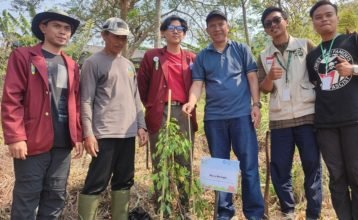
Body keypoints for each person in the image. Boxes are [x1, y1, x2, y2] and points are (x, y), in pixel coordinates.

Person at [306, 1, 358, 219]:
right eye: (318, 17)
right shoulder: (312, 55)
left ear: (337, 17)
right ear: (313, 23)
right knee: (337, 178)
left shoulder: (355, 40)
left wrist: (353, 69)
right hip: (325, 124)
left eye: (328, 14)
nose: (324, 19)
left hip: (355, 120)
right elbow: (316, 85)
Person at [182, 10, 264, 220]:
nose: (217, 28)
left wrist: (256, 105)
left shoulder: (241, 49)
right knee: (220, 168)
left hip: (241, 117)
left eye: (221, 24)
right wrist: (191, 102)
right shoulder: (202, 56)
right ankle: (224, 213)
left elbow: (252, 78)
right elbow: (198, 83)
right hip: (214, 119)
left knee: (249, 166)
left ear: (227, 26)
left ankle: (254, 213)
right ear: (207, 30)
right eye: (212, 25)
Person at [1, 9, 83, 219]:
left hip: (63, 142)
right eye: (57, 26)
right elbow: (12, 99)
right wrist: (16, 137)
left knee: (55, 196)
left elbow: (74, 102)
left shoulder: (71, 64)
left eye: (67, 28)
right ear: (43, 27)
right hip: (33, 141)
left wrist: (78, 134)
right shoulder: (24, 57)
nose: (63, 32)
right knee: (27, 196)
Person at [78, 17, 148, 220]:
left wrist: (141, 125)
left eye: (124, 39)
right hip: (104, 132)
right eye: (116, 37)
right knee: (96, 181)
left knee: (124, 180)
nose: (120, 42)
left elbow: (135, 97)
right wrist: (88, 133)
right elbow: (86, 100)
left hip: (128, 132)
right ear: (104, 36)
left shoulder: (127, 65)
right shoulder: (93, 63)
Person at [258, 6, 322, 220]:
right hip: (280, 120)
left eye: (276, 20)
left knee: (312, 166)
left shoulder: (306, 45)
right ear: (266, 30)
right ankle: (289, 212)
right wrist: (269, 78)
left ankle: (313, 214)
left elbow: (318, 76)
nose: (273, 26)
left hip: (307, 116)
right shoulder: (263, 55)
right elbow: (263, 88)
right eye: (268, 24)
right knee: (279, 169)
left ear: (285, 21)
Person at [137, 15, 197, 211]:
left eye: (180, 28)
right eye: (170, 28)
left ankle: (184, 206)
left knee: (184, 159)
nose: (175, 31)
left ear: (185, 33)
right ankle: (161, 204)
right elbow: (141, 87)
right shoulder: (151, 56)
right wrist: (153, 106)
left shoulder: (191, 58)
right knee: (160, 159)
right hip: (159, 111)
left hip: (185, 111)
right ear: (163, 32)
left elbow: (198, 84)